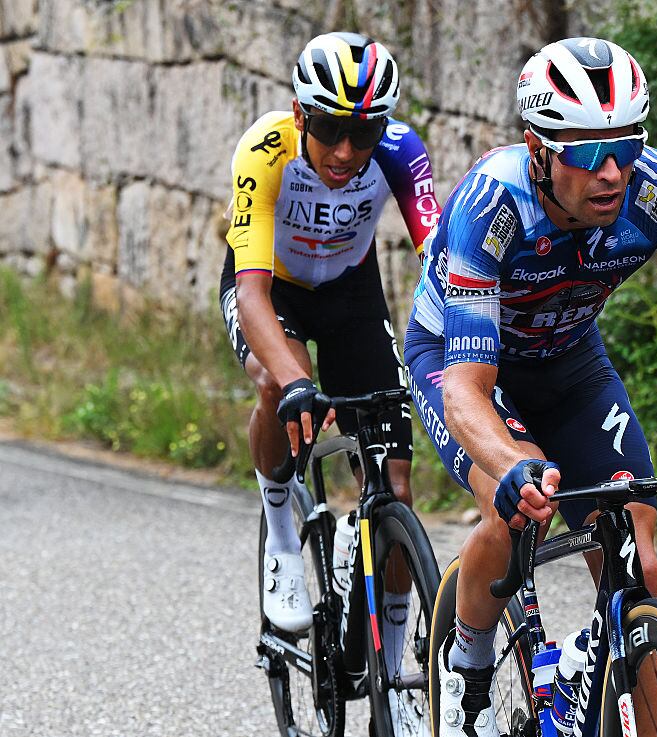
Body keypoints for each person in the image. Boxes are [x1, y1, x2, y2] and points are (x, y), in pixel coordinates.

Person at [404, 37, 657, 737]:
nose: (612, 171)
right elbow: (468, 388)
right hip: (460, 357)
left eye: (625, 145)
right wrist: (510, 463)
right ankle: (463, 663)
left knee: (638, 560)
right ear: (538, 149)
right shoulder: (491, 205)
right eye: (587, 152)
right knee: (513, 512)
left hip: (567, 359)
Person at [220, 32, 439, 651]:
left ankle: (395, 671)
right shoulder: (266, 151)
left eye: (364, 133)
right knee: (273, 383)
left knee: (396, 488)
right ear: (300, 116)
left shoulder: (401, 152)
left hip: (350, 293)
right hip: (272, 287)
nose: (346, 151)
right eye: (330, 129)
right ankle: (282, 537)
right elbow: (254, 292)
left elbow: (445, 263)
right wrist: (295, 382)